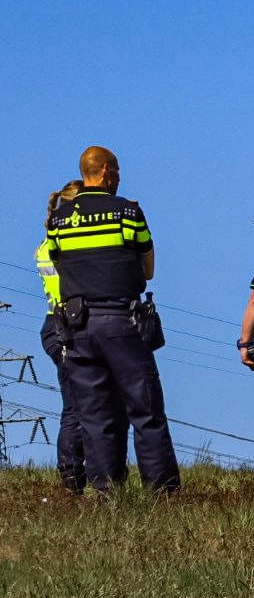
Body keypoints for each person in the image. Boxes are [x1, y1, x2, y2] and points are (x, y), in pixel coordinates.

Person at [46, 146, 180, 493]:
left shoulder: (58, 220)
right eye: (117, 170)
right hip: (122, 320)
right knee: (145, 408)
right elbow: (148, 269)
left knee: (94, 414)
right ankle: (161, 490)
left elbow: (59, 264)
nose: (119, 176)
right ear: (105, 170)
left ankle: (106, 493)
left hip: (77, 325)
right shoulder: (127, 212)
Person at [35, 180, 127, 492]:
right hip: (68, 324)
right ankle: (73, 476)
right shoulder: (63, 244)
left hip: (61, 322)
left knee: (86, 401)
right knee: (78, 404)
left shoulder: (48, 243)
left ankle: (85, 474)